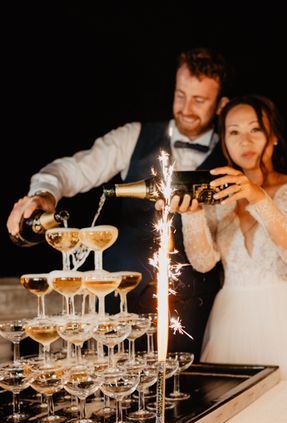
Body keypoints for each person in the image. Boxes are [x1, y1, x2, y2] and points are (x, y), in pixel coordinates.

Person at [6, 47, 229, 360]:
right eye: (180, 95)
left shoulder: (233, 155)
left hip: (193, 313)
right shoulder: (134, 136)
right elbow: (69, 170)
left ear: (221, 105)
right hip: (117, 309)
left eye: (200, 100)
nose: (186, 108)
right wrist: (43, 194)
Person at [170, 94, 287, 383]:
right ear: (224, 141)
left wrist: (259, 198)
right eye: (234, 132)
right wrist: (192, 213)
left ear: (272, 136)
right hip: (233, 321)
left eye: (255, 129)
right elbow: (203, 263)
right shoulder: (216, 196)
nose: (244, 142)